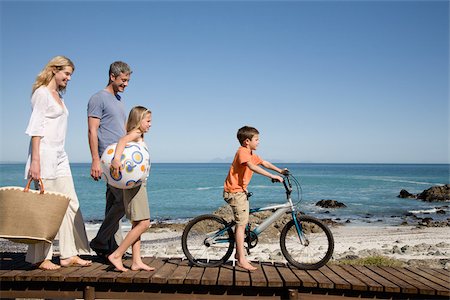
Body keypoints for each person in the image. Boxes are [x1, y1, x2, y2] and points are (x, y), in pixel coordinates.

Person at [24, 55, 91, 270]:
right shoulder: (42, 94)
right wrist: (35, 162)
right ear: (54, 70)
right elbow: (35, 129)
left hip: (61, 156)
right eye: (67, 73)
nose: (69, 78)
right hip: (43, 156)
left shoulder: (58, 95)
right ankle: (40, 258)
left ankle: (68, 254)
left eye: (71, 74)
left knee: (70, 203)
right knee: (47, 209)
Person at [223, 126, 287, 271]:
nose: (259, 142)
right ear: (247, 141)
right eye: (256, 139)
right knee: (241, 225)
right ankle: (241, 259)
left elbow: (264, 163)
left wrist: (280, 171)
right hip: (235, 192)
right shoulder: (242, 152)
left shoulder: (250, 152)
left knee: (243, 223)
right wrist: (272, 176)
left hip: (241, 192)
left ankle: (237, 253)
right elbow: (251, 167)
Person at [87, 61, 132, 260]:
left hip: (120, 157)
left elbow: (121, 130)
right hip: (107, 157)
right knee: (123, 202)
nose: (126, 84)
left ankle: (108, 247)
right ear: (112, 77)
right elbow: (92, 130)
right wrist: (95, 160)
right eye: (123, 80)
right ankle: (100, 240)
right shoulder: (98, 98)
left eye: (128, 80)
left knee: (112, 201)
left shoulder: (119, 99)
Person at [108, 106, 154, 272]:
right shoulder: (134, 134)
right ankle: (117, 254)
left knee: (137, 223)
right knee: (144, 223)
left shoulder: (139, 136)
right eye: (148, 121)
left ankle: (136, 261)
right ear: (138, 120)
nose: (150, 124)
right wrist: (116, 159)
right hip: (135, 186)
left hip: (138, 183)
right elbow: (121, 141)